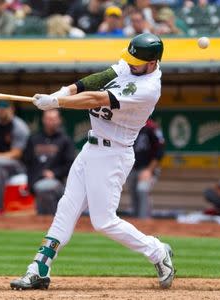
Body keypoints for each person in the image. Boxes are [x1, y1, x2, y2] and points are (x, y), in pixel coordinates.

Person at [10, 33, 175, 291]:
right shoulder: (129, 66)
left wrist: (57, 102)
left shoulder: (148, 89)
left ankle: (157, 251)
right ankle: (39, 268)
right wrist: (62, 92)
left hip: (114, 155)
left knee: (104, 221)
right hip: (91, 148)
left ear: (152, 63)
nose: (130, 63)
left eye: (137, 61)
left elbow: (97, 98)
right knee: (66, 208)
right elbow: (91, 82)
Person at [23, 109, 75, 215]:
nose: (51, 122)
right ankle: (44, 219)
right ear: (43, 120)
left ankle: (52, 218)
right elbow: (26, 161)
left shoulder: (65, 140)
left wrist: (54, 173)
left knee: (44, 187)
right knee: (40, 187)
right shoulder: (34, 139)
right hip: (35, 181)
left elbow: (70, 165)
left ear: (59, 120)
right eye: (48, 119)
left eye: (54, 119)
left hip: (58, 182)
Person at [129, 118, 165, 218]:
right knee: (134, 193)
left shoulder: (151, 127)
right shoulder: (129, 124)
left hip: (148, 168)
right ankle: (136, 223)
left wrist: (149, 170)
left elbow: (160, 151)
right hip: (132, 167)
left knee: (142, 190)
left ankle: (144, 222)